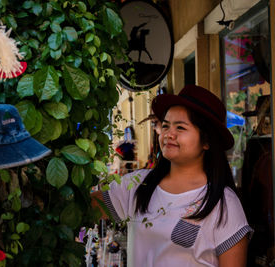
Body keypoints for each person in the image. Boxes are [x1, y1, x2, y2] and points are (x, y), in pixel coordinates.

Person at [92, 85, 253, 266]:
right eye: (166, 126)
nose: (169, 134)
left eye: (180, 128)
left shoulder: (224, 203)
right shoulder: (138, 185)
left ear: (206, 141)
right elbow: (81, 211)